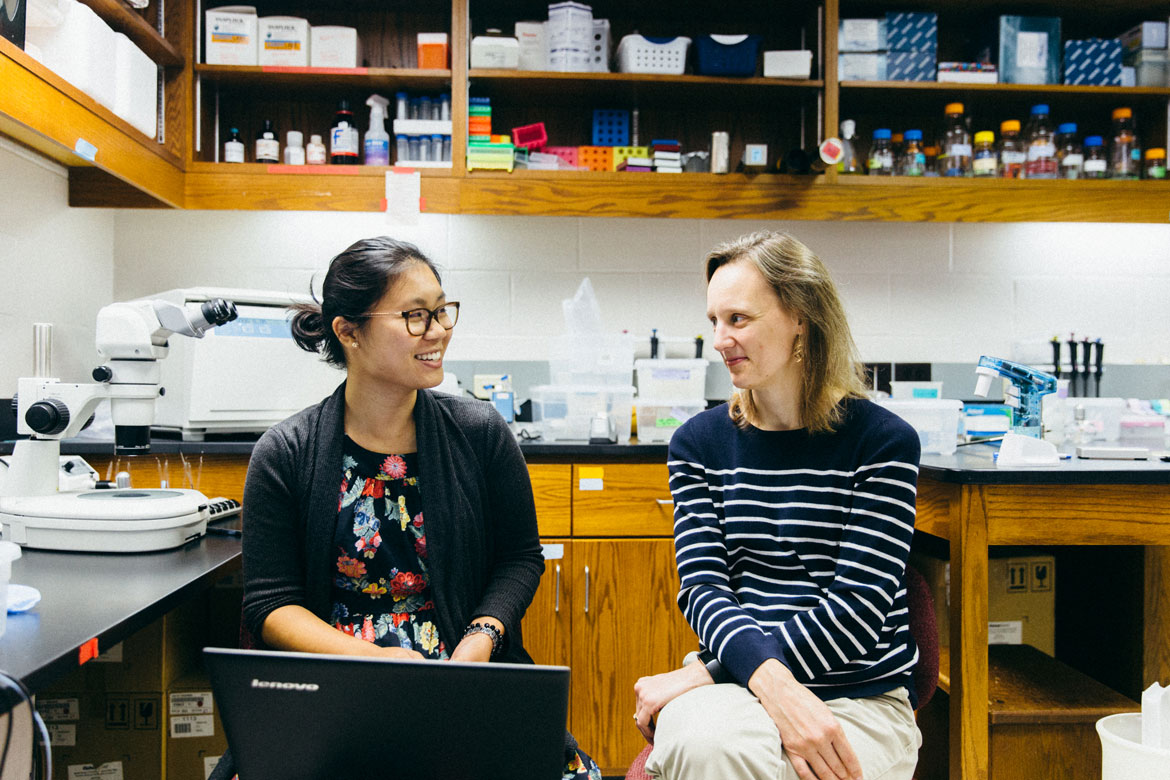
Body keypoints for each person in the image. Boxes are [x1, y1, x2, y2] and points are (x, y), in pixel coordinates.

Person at [227, 236, 599, 779]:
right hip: (338, 686)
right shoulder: (286, 452)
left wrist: (482, 637)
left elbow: (519, 556)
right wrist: (376, 661)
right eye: (416, 316)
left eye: (442, 311)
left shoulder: (480, 433)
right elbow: (270, 604)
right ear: (348, 332)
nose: (439, 331)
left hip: (464, 673)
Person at [633, 231, 922, 780]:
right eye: (714, 320)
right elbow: (702, 589)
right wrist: (761, 680)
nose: (720, 340)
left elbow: (859, 611)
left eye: (738, 319)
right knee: (707, 752)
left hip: (860, 695)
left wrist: (709, 672)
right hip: (738, 683)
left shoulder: (883, 442)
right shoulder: (698, 443)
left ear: (801, 318)